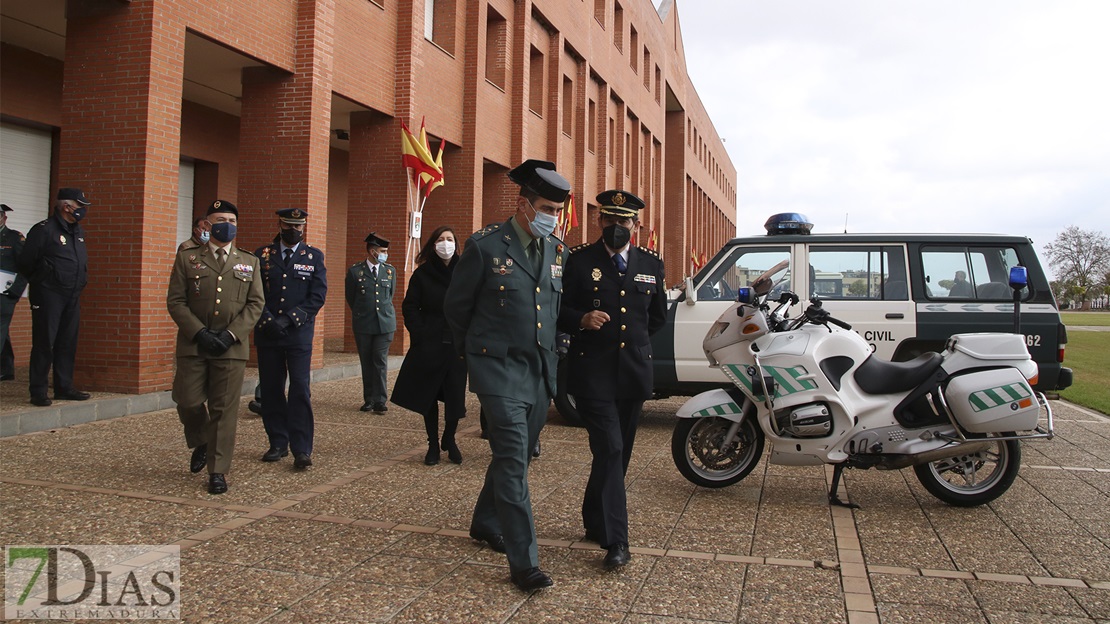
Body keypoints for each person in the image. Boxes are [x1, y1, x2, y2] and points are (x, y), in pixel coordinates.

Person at [444, 158, 571, 592]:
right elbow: (456, 309)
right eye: (547, 209)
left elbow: (552, 313)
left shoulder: (558, 252)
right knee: (515, 459)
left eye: (558, 211)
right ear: (523, 206)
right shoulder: (485, 247)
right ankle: (525, 563)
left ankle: (484, 521)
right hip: (497, 370)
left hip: (538, 374)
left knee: (512, 457)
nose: (553, 218)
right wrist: (479, 355)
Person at [557, 189, 666, 569]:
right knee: (611, 449)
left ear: (636, 226)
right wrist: (581, 320)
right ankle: (617, 541)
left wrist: (630, 347)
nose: (616, 227)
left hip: (633, 373)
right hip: (592, 373)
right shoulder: (578, 260)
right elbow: (559, 308)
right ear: (598, 221)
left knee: (615, 457)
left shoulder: (651, 264)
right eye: (609, 220)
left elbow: (656, 318)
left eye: (624, 222)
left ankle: (594, 519)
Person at [167, 200, 264, 494]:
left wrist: (232, 334)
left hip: (230, 349)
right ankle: (201, 440)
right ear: (207, 225)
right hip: (195, 344)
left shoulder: (249, 261)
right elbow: (176, 301)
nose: (227, 225)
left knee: (224, 410)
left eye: (232, 220)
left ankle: (218, 471)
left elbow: (256, 303)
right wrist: (199, 332)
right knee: (187, 400)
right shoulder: (187, 258)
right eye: (221, 219)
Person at [255, 208, 328, 469]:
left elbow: (317, 296)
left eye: (299, 226)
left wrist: (288, 320)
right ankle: (277, 442)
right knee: (272, 389)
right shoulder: (262, 256)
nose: (294, 230)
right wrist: (268, 320)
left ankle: (302, 448)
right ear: (280, 224)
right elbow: (254, 294)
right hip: (268, 332)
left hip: (298, 334)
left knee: (299, 389)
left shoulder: (313, 257)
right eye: (289, 225)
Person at [389, 226, 467, 465]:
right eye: (441, 240)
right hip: (430, 342)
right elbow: (410, 306)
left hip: (456, 343)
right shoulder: (423, 274)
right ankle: (432, 443)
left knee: (455, 395)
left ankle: (449, 438)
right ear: (433, 245)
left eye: (450, 239)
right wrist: (420, 332)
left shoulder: (465, 271)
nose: (446, 244)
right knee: (428, 395)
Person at [17, 188, 92, 406]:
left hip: (72, 294)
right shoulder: (44, 230)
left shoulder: (77, 231)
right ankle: (38, 391)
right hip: (49, 294)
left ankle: (64, 387)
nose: (83, 211)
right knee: (44, 343)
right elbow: (26, 262)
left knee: (67, 342)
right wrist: (43, 279)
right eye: (80, 206)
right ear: (67, 207)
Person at [345, 232, 395, 413]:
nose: (385, 254)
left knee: (379, 361)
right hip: (364, 324)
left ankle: (380, 400)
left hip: (385, 325)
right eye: (382, 251)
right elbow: (351, 298)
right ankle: (369, 399)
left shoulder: (390, 271)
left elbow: (389, 296)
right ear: (372, 251)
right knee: (366, 361)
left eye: (386, 251)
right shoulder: (355, 272)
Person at [1, 204, 29, 381]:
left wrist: (16, 291)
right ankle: (6, 368)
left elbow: (26, 266)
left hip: (5, 292)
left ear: (4, 217)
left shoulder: (14, 238)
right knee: (2, 330)